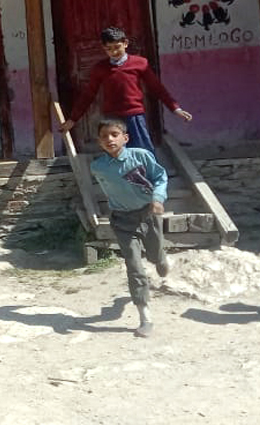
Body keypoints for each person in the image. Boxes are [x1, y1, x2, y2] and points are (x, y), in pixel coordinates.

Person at [89, 118, 170, 338]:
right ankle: (145, 317)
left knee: (154, 254)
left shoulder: (141, 156)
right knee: (134, 266)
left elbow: (160, 177)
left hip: (148, 214)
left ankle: (160, 257)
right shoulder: (98, 167)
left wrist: (158, 198)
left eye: (114, 134)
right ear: (99, 142)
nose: (109, 139)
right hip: (122, 221)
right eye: (104, 136)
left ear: (125, 138)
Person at [59, 26, 192, 154]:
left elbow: (157, 88)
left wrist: (176, 109)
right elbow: (89, 95)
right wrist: (73, 119)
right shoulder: (100, 68)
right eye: (109, 49)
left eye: (117, 47)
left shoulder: (140, 63)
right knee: (116, 152)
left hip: (134, 116)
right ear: (104, 48)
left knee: (143, 152)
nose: (114, 52)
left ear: (125, 43)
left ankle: (150, 177)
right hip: (112, 118)